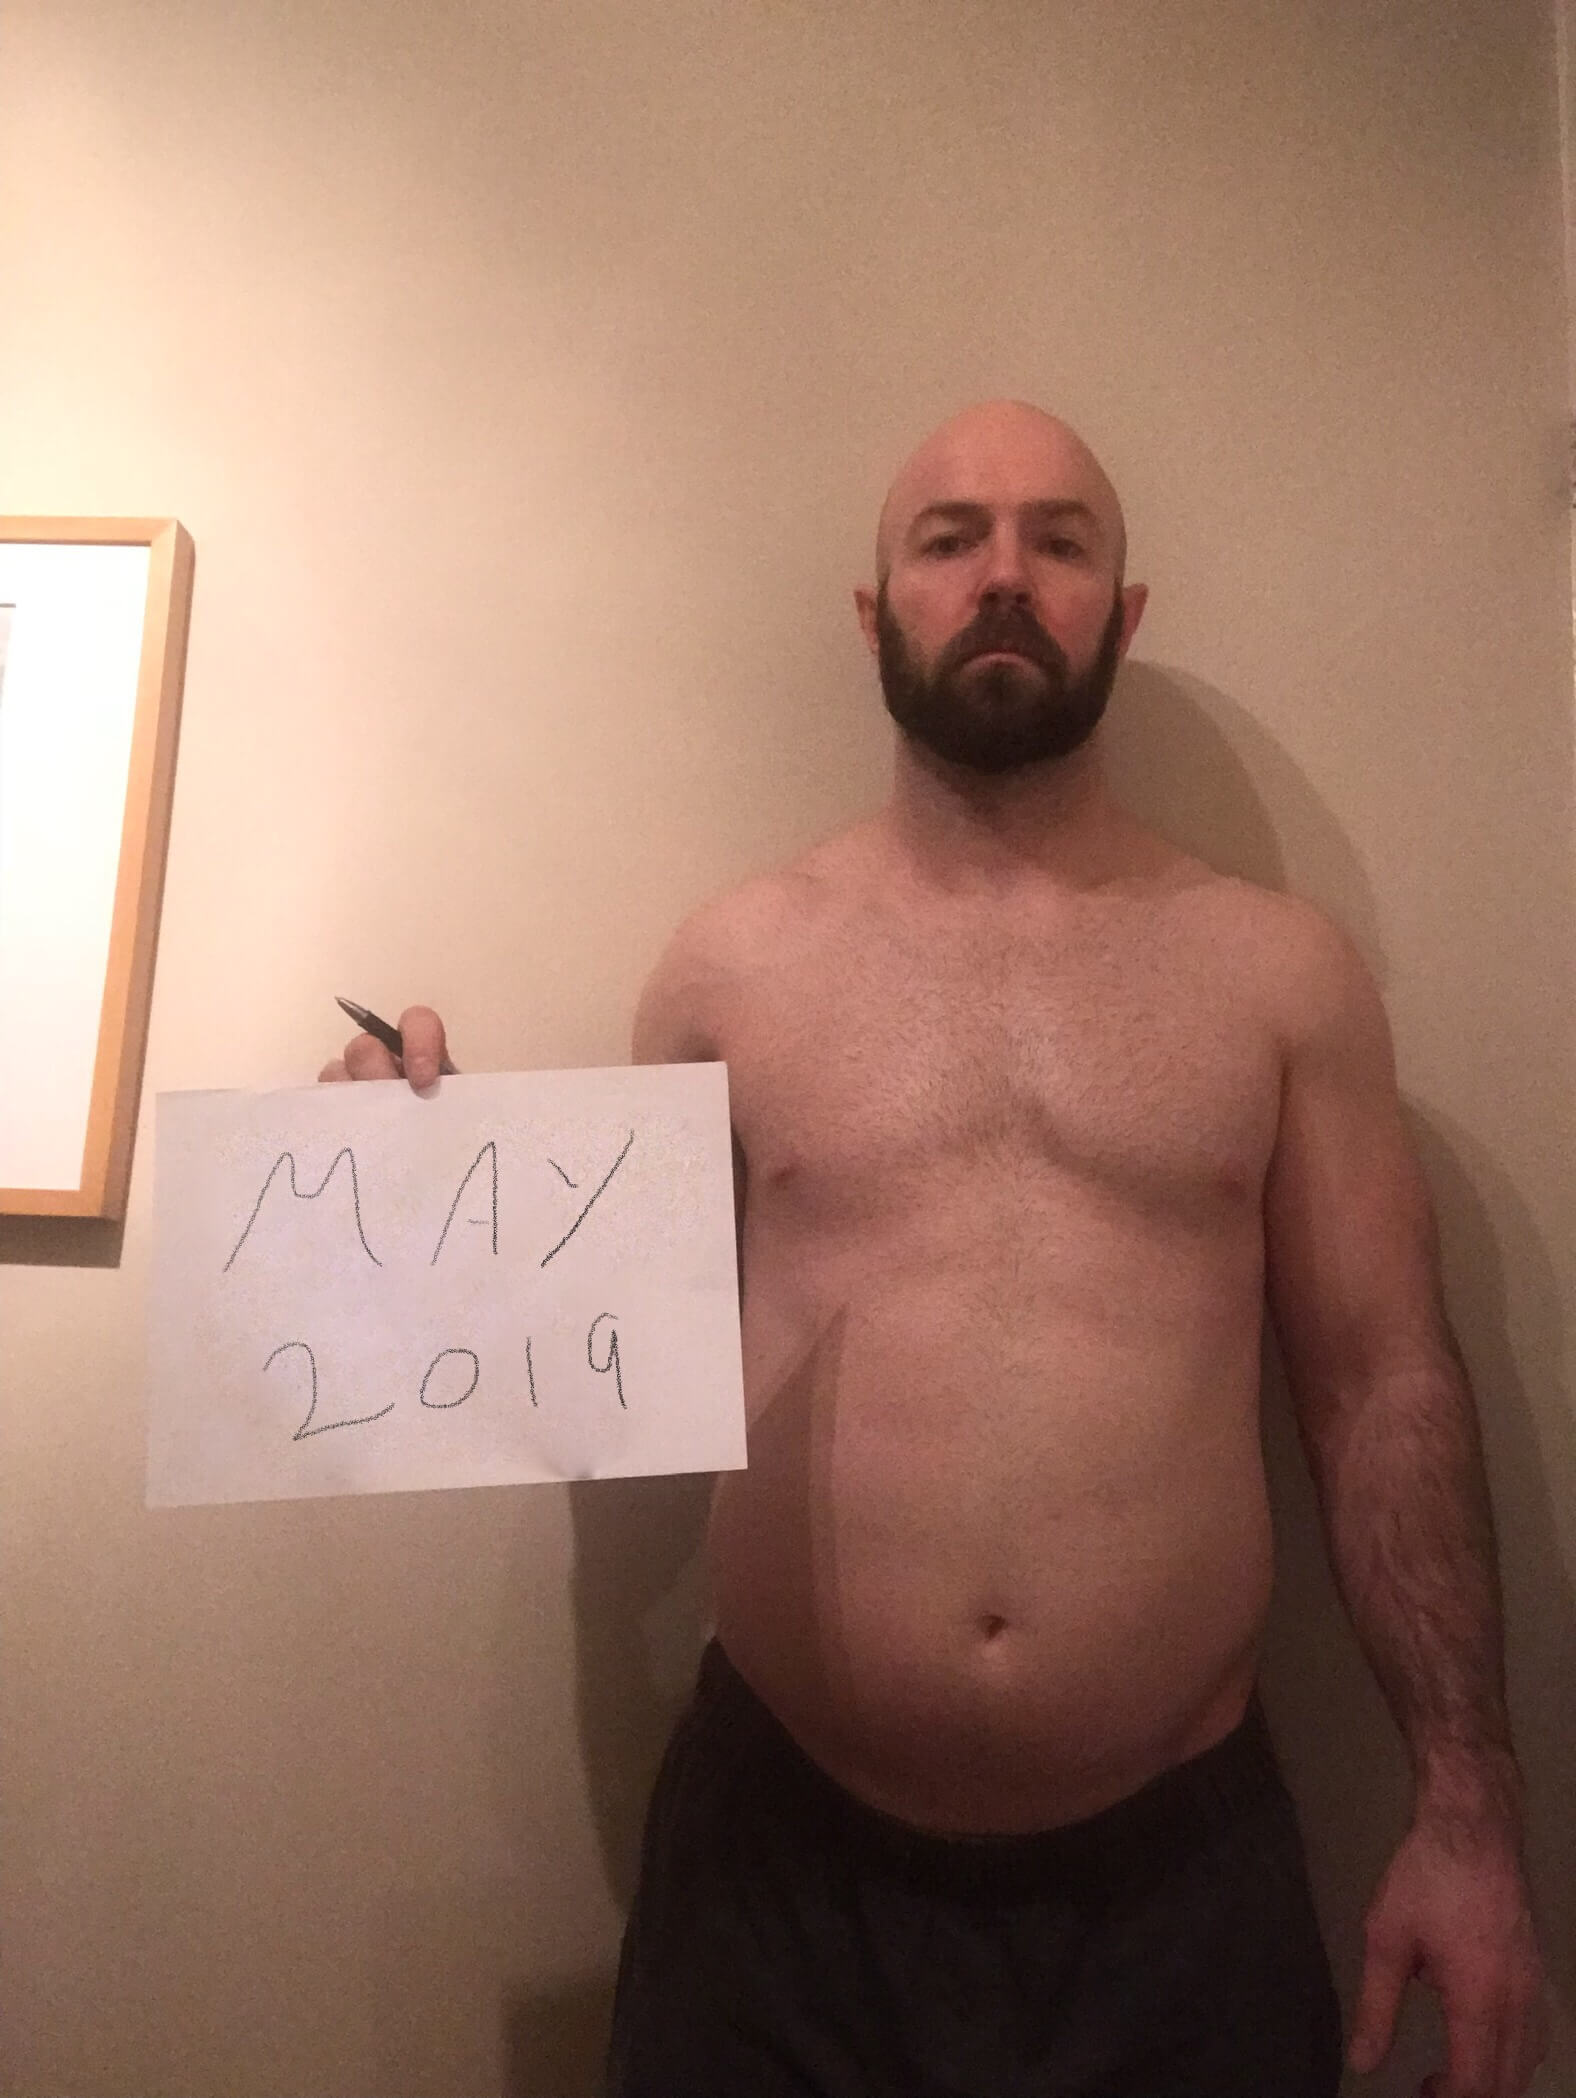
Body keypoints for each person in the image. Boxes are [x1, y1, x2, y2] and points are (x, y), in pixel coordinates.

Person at [322, 401, 1547, 2098]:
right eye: (950, 538)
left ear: (1124, 613)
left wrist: (1468, 1814)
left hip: (1174, 1891)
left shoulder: (1279, 975)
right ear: (873, 609)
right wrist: (404, 1174)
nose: (1004, 577)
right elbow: (590, 1359)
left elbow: (1383, 1393)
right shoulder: (732, 965)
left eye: (1061, 540)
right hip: (779, 1871)